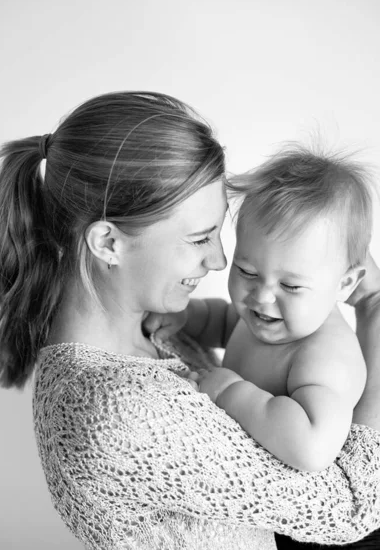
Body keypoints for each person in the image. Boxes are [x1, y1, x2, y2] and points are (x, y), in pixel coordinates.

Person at [0, 92, 380, 550]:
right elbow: (352, 506)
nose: (219, 260)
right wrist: (373, 306)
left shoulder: (149, 331)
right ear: (108, 242)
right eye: (199, 239)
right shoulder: (121, 410)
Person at [147, 146, 373, 472]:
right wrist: (189, 316)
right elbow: (228, 323)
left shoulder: (326, 358)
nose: (262, 297)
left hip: (293, 515)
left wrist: (230, 391)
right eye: (247, 272)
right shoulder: (272, 318)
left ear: (344, 284)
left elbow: (312, 448)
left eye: (291, 286)